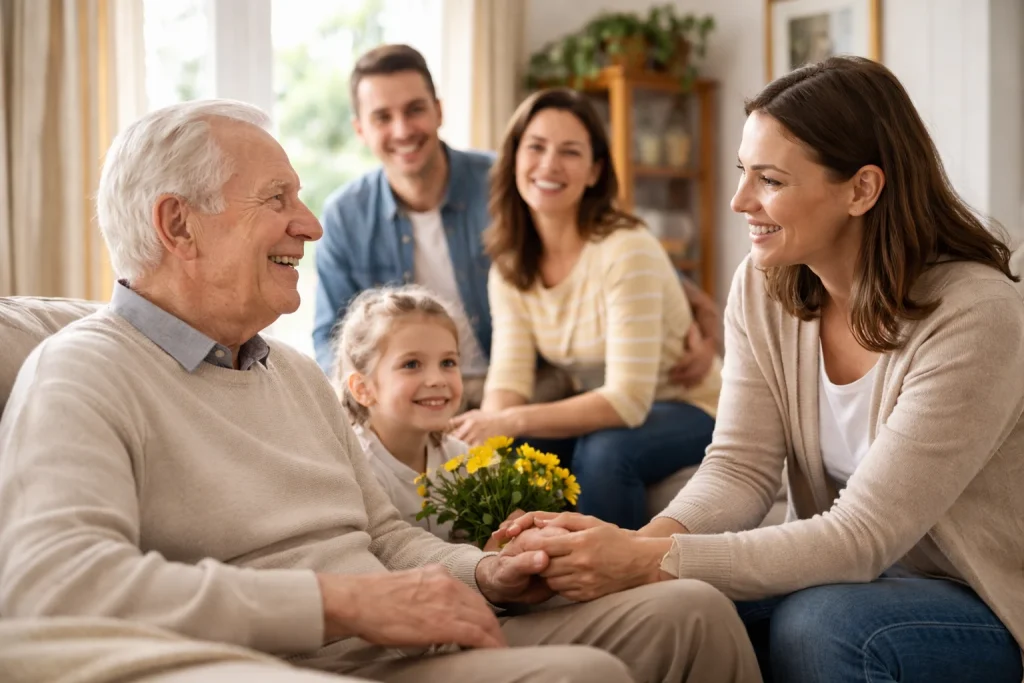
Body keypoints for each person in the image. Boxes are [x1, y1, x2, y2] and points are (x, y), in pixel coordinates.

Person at [0, 99, 763, 683]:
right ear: (179, 224)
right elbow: (55, 582)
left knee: (692, 612)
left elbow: (385, 534)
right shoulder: (83, 372)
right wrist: (340, 603)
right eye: (277, 199)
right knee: (582, 675)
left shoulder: (292, 372)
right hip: (313, 654)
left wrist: (483, 572)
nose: (311, 224)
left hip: (401, 631)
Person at [498, 56, 1024, 683]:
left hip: (981, 598)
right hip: (856, 573)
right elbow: (739, 468)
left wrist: (646, 559)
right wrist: (631, 552)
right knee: (670, 609)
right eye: (744, 171)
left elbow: (862, 536)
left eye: (770, 180)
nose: (739, 200)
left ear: (862, 189)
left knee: (821, 623)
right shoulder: (765, 283)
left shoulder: (976, 315)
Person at [312, 43, 722, 409]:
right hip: (414, 392)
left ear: (438, 110)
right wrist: (356, 405)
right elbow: (332, 339)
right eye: (383, 117)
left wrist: (704, 324)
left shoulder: (508, 181)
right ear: (361, 129)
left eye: (415, 109)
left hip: (520, 380)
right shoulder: (345, 215)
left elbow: (617, 245)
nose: (402, 130)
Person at [449, 88, 724, 531]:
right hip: (610, 408)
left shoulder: (626, 249)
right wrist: (489, 431)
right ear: (514, 157)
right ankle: (513, 580)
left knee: (605, 450)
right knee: (508, 450)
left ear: (595, 171)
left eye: (570, 152)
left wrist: (509, 418)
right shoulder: (510, 265)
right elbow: (510, 379)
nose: (549, 164)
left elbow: (628, 402)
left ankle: (615, 586)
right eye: (535, 146)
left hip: (694, 404)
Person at [333, 284, 503, 546]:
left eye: (448, 362)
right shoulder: (358, 471)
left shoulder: (462, 459)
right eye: (411, 364)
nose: (436, 379)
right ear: (363, 389)